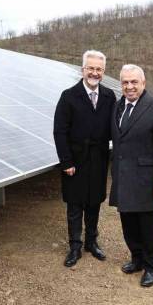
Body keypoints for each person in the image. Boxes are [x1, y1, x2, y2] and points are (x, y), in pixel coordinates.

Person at [109, 64, 153, 287]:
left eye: (134, 82)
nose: (129, 86)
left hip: (147, 181)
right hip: (123, 178)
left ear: (143, 83)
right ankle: (136, 259)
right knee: (128, 223)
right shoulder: (118, 107)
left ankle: (151, 266)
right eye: (125, 82)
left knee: (148, 226)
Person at [53, 50, 116, 267]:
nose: (95, 72)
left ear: (103, 72)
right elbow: (60, 132)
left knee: (94, 202)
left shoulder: (109, 96)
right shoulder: (68, 96)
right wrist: (66, 161)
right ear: (83, 70)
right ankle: (75, 246)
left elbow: (114, 129)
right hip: (75, 161)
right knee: (74, 204)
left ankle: (91, 242)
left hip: (99, 159)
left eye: (99, 69)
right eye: (91, 68)